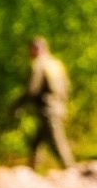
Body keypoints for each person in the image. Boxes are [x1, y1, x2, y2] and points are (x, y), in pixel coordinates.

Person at [15, 39, 75, 169]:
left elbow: (32, 90)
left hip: (48, 109)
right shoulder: (56, 64)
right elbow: (67, 87)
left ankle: (70, 168)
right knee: (37, 141)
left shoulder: (39, 65)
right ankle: (33, 169)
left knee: (56, 141)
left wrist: (18, 105)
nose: (29, 53)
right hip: (59, 106)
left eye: (31, 49)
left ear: (37, 49)